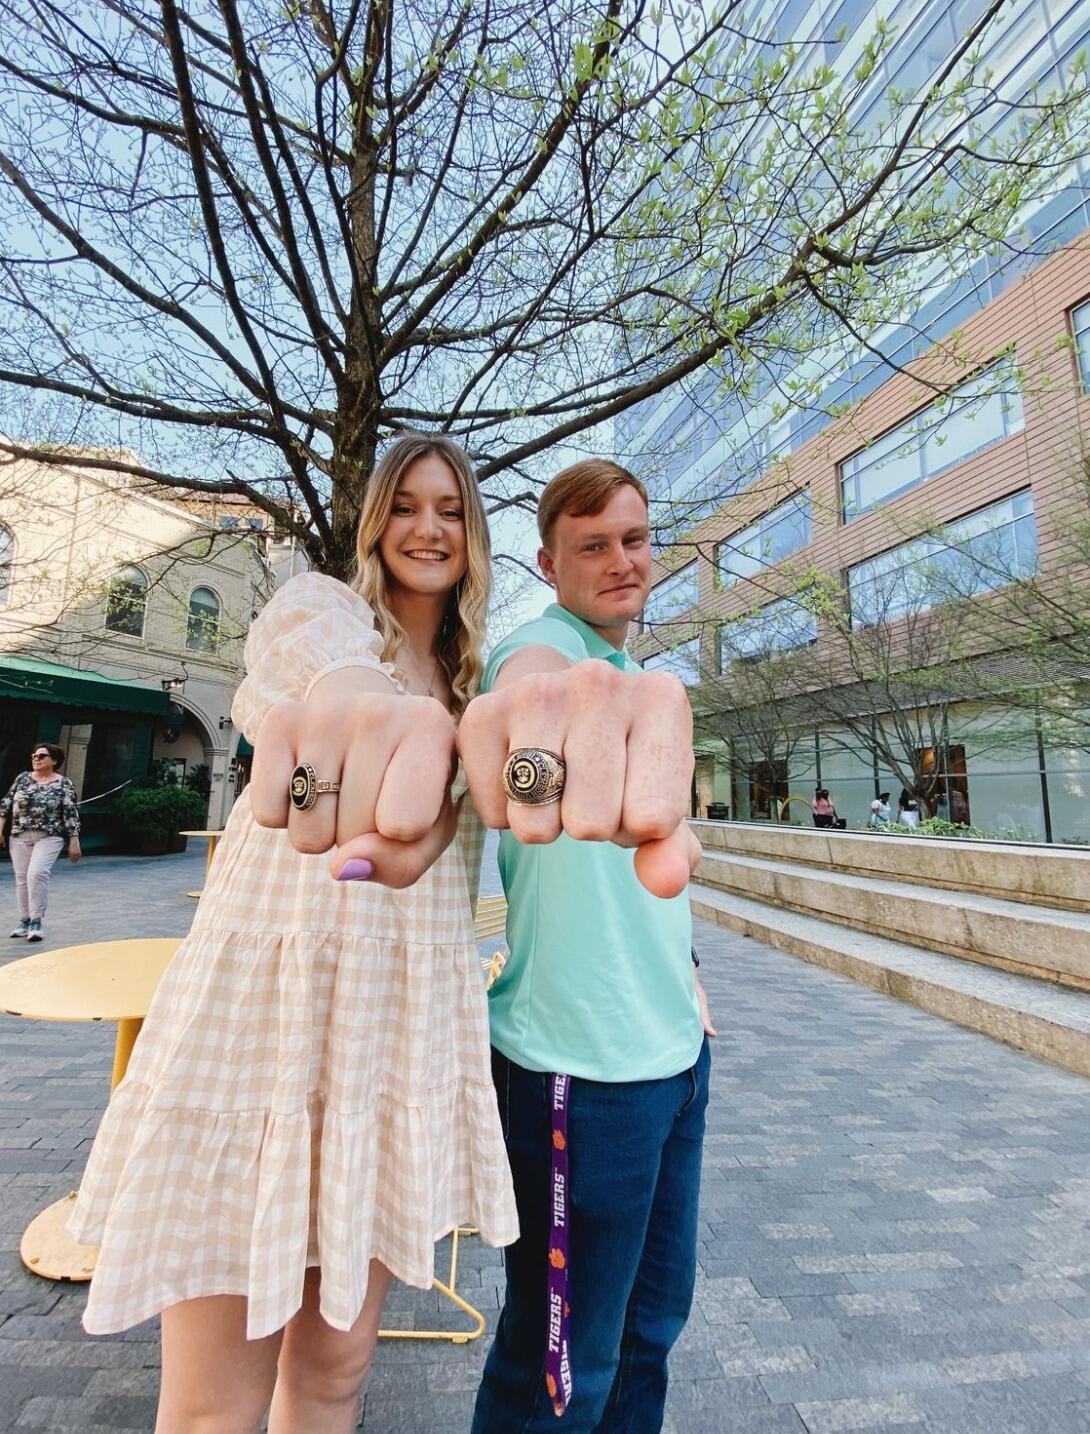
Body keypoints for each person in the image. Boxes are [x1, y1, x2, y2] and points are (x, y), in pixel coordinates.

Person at [67, 434, 518, 1434]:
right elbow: (311, 676)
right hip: (263, 1040)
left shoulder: (480, 693)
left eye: (450, 509)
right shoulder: (321, 611)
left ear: (475, 534)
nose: (428, 527)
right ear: (374, 522)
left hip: (383, 1056)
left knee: (333, 1378)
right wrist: (365, 710)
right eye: (405, 505)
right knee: (211, 1407)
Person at [459, 459, 714, 1434]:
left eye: (635, 539)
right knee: (561, 1362)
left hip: (674, 1059)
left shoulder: (648, 686)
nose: (621, 560)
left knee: (651, 1331)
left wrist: (688, 981)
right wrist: (542, 729)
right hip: (576, 1073)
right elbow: (532, 694)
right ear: (548, 562)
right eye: (593, 545)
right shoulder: (545, 650)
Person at [0, 742, 82, 941]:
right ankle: (25, 919)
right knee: (21, 879)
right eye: (34, 756)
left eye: (41, 756)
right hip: (20, 835)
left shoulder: (64, 783)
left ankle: (37, 920)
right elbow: (4, 806)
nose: (36, 759)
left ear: (54, 761)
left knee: (37, 874)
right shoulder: (22, 779)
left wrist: (74, 841)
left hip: (49, 836)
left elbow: (71, 814)